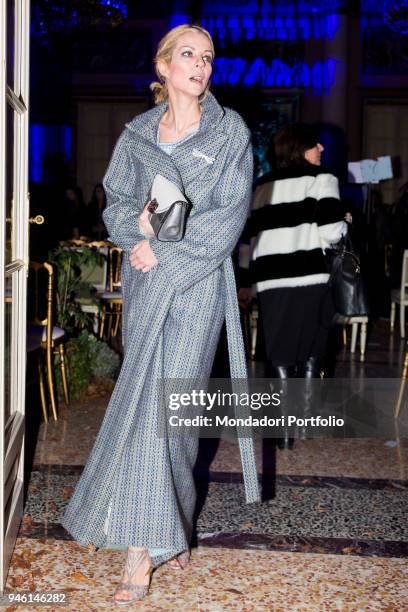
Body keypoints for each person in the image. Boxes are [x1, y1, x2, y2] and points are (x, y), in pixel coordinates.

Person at [62, 24, 260, 605]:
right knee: (145, 402)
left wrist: (164, 252)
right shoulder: (136, 135)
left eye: (208, 57)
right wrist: (139, 230)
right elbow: (117, 204)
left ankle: (142, 549)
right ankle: (162, 530)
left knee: (170, 408)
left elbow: (228, 217)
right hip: (146, 284)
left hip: (197, 286)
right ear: (164, 65)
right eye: (189, 55)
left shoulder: (229, 134)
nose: (200, 65)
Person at [239, 123, 347, 380]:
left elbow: (248, 240)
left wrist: (245, 282)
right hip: (311, 278)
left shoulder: (261, 186)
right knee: (312, 353)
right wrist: (345, 221)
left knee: (280, 354)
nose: (321, 148)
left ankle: (284, 419)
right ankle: (306, 418)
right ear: (300, 149)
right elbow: (332, 232)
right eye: (314, 144)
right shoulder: (323, 178)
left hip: (270, 282)